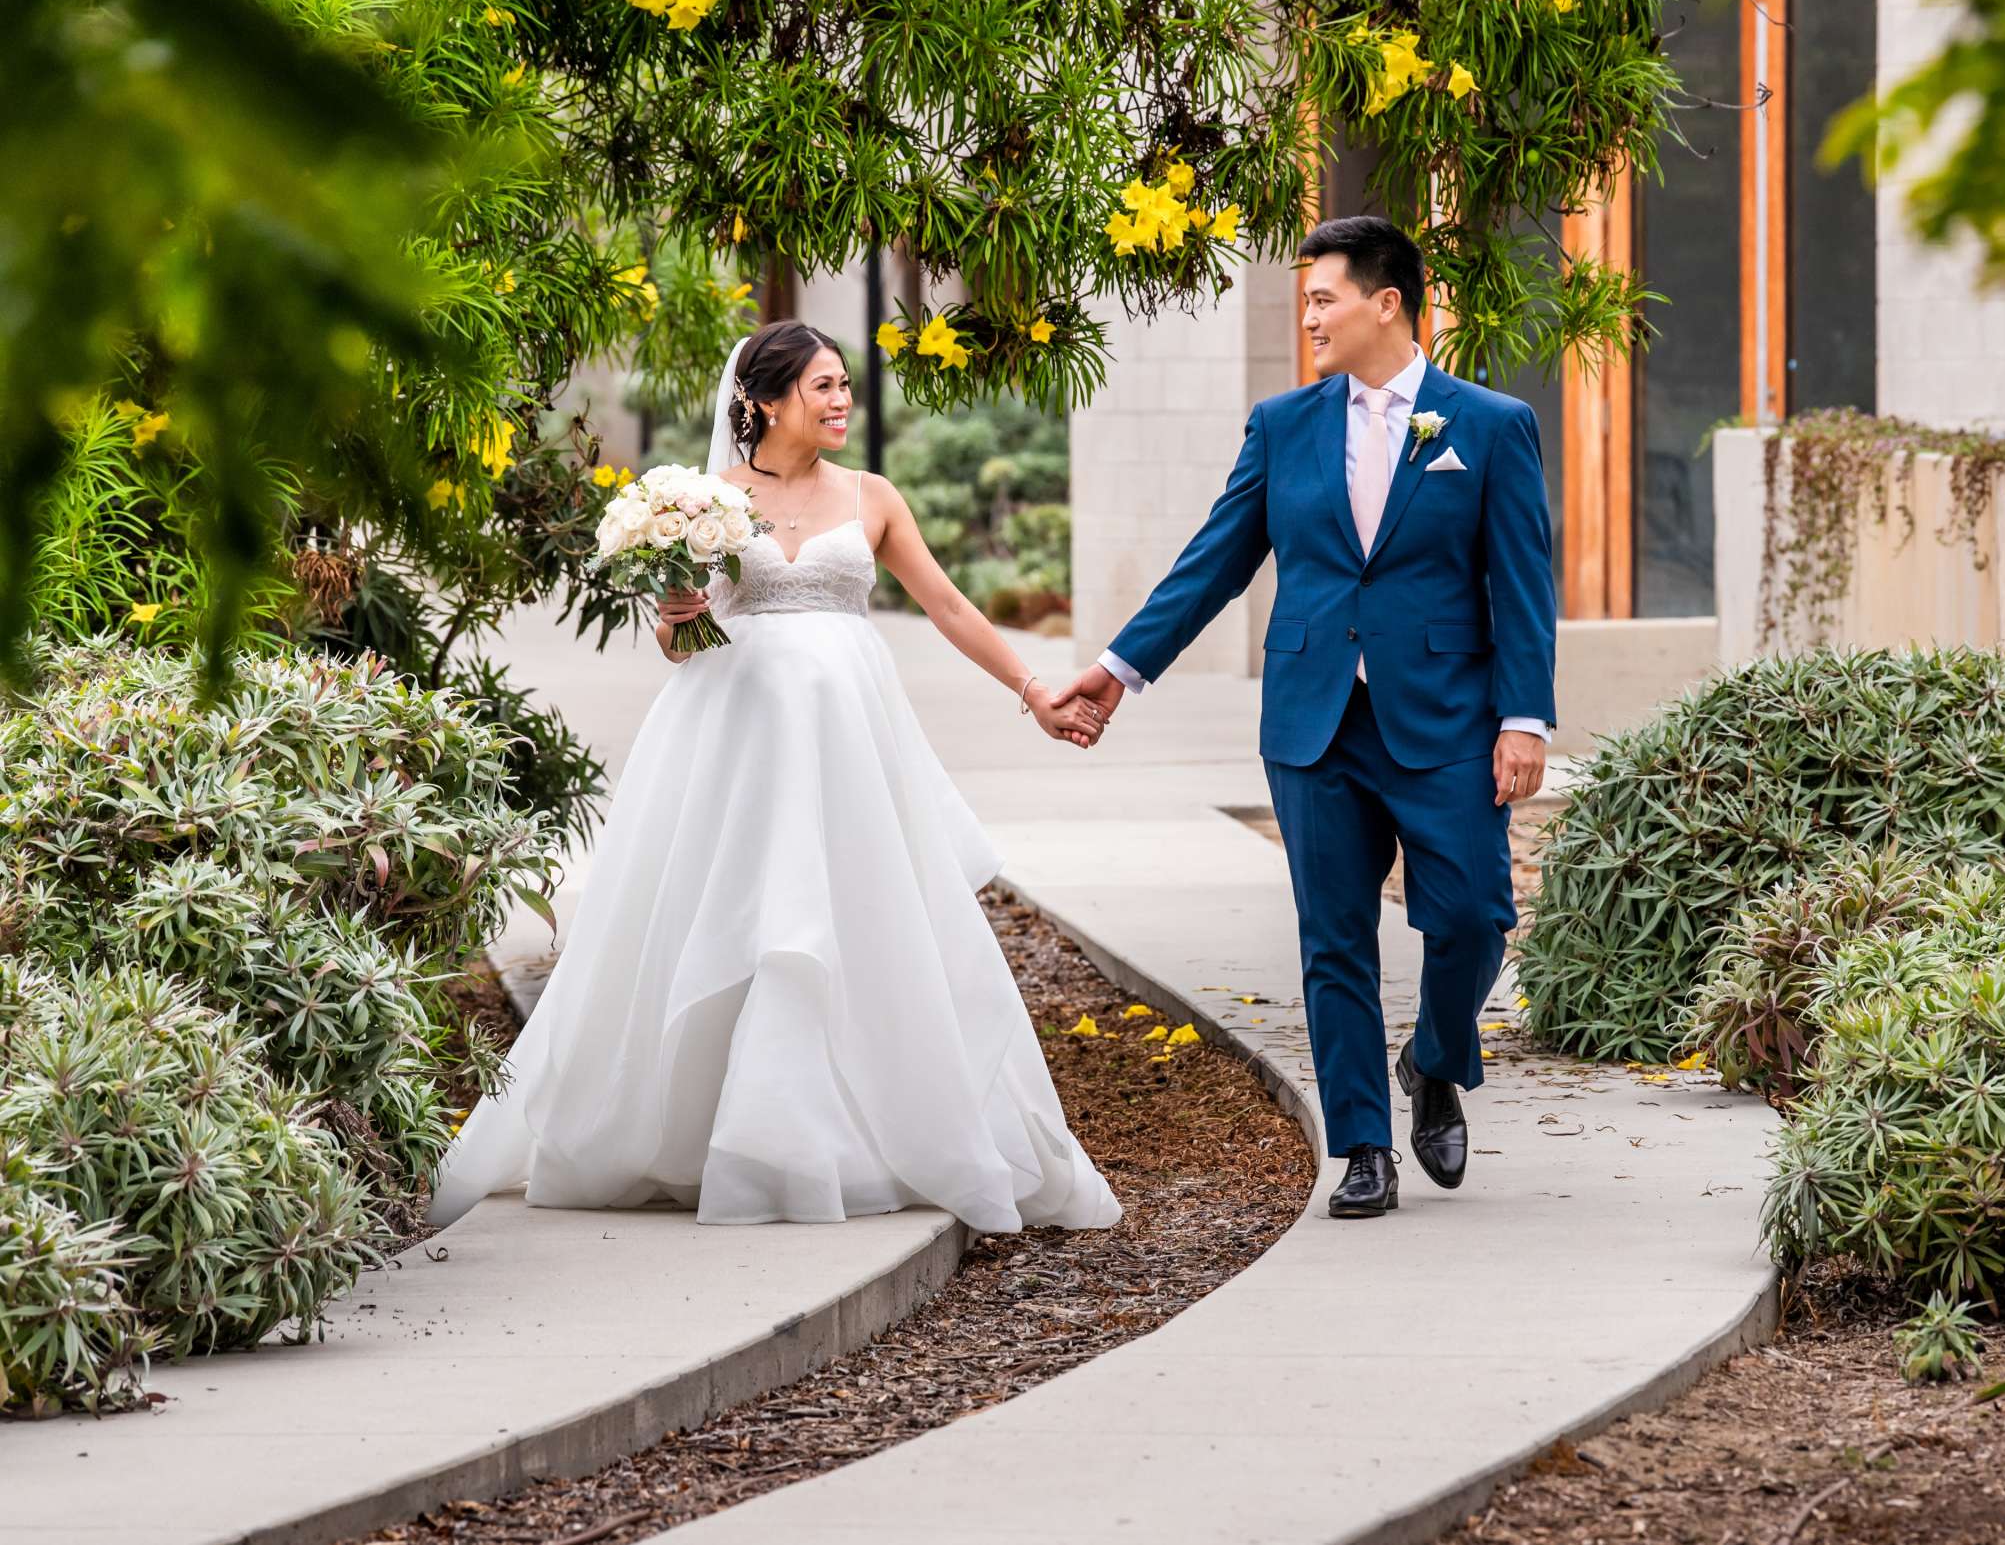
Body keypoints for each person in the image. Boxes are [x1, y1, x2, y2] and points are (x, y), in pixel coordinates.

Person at [428, 321, 1122, 1234]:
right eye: (823, 387)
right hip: (736, 739)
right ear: (761, 399)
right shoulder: (707, 499)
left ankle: (859, 1133)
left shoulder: (872, 497)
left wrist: (1034, 690)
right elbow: (685, 646)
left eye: (844, 387)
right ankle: (701, 1136)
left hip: (847, 743)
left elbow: (948, 605)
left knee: (852, 915)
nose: (841, 403)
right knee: (731, 916)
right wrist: (676, 612)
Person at [1060, 216, 1558, 1219]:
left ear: (1389, 303)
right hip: (1313, 722)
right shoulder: (1281, 426)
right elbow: (1214, 561)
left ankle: (1436, 1057)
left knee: (1471, 915)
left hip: (1448, 719)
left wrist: (1526, 718)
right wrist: (1120, 669)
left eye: (1324, 299)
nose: (1311, 318)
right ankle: (1363, 1145)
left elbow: (1522, 584)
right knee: (1334, 937)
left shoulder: (1490, 425)